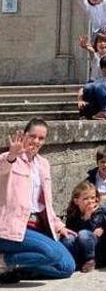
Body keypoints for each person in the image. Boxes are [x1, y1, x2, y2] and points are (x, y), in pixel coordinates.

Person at [0, 119, 76, 282]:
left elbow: (45, 203)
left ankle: (17, 266)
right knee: (52, 254)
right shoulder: (8, 158)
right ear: (24, 135)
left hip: (35, 227)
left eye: (41, 138)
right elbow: (2, 172)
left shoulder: (43, 164)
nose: (36, 141)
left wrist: (58, 225)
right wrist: (13, 155)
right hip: (10, 229)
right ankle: (4, 263)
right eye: (32, 136)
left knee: (66, 267)